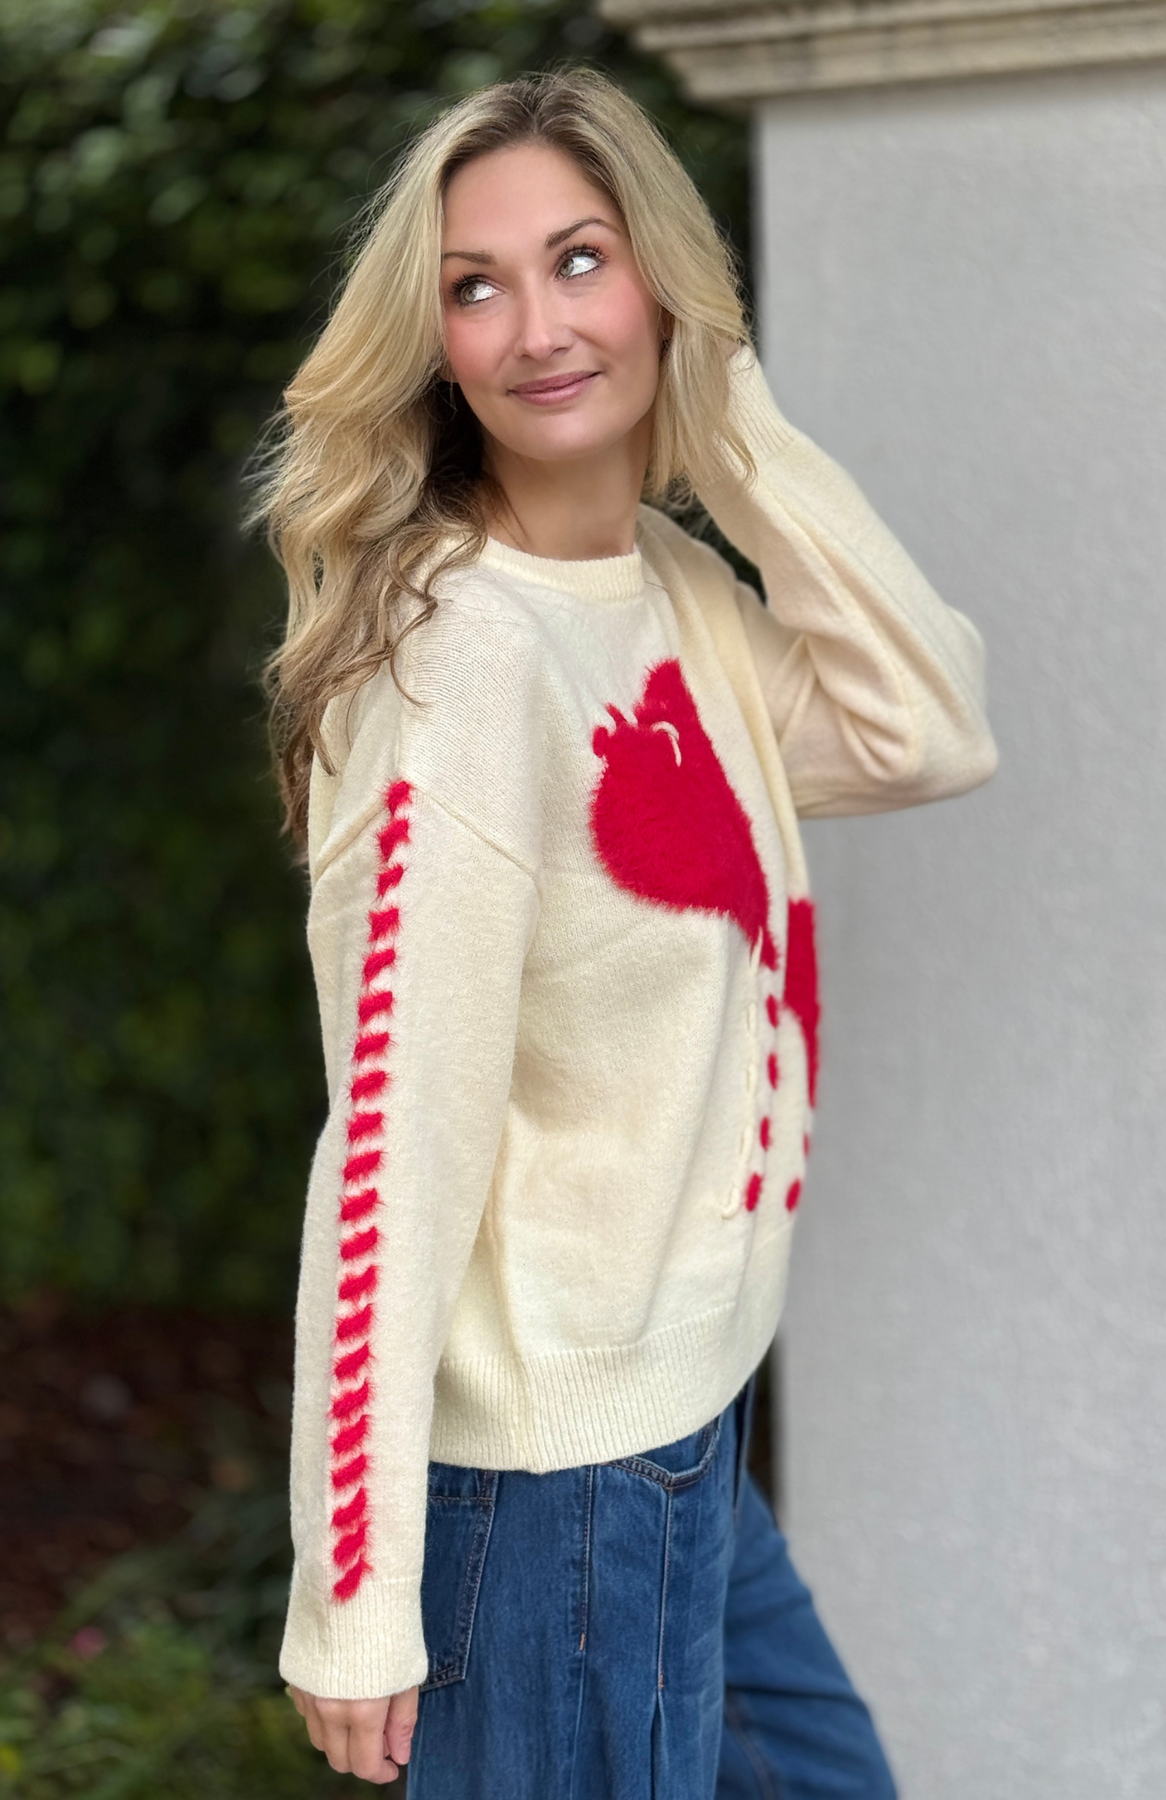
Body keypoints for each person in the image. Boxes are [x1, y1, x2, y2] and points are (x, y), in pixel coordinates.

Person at [257, 68, 997, 1799]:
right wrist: (354, 1598)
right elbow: (392, 1146)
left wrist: (728, 424)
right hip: (547, 1496)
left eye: (583, 260)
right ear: (433, 342)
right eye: (476, 284)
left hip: (683, 1436)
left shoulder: (673, 596)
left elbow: (927, 725)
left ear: (661, 279)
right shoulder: (465, 663)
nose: (536, 327)